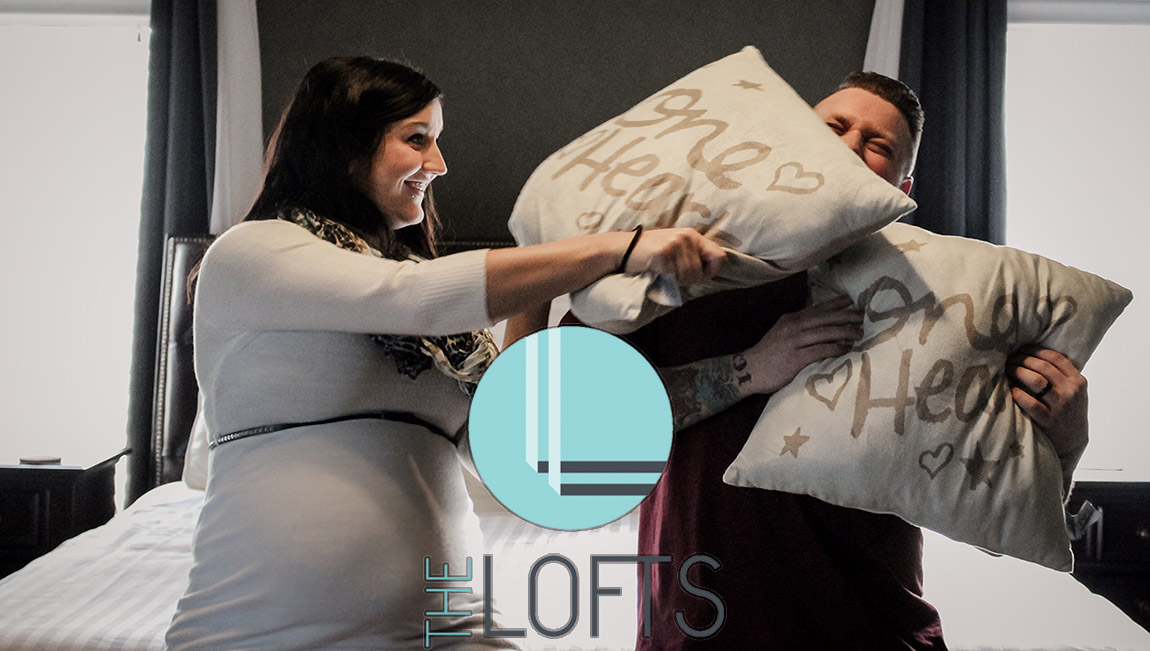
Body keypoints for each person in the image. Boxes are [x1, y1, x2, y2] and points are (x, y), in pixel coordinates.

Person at [506, 71, 1089, 649]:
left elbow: (992, 518)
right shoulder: (685, 258)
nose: (851, 146)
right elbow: (574, 425)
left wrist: (1065, 445)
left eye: (878, 144)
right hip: (700, 629)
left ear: (902, 189)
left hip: (876, 632)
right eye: (835, 126)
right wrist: (749, 370)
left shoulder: (943, 300)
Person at [164, 56, 725, 650]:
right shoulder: (251, 253)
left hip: (450, 627)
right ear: (344, 144)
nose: (439, 163)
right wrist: (616, 248)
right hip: (261, 633)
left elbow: (517, 450)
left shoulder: (443, 333)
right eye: (417, 139)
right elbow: (409, 298)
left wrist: (752, 370)